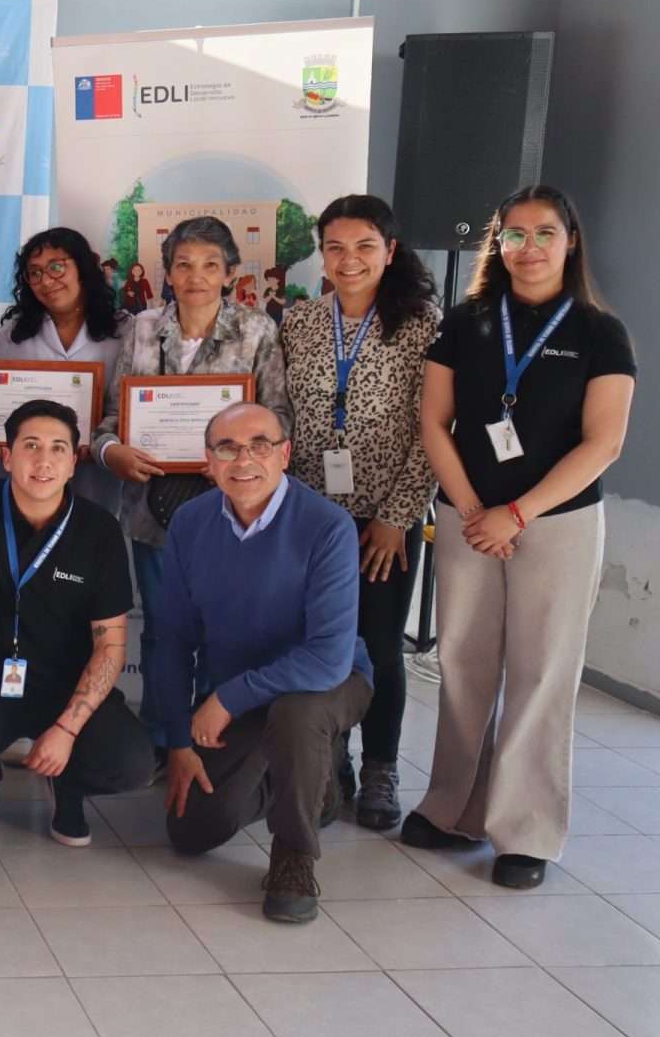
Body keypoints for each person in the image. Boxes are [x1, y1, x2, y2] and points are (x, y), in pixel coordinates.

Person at [403, 185, 635, 890]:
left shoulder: (600, 331)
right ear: (496, 244)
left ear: (571, 242)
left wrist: (519, 513)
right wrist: (476, 510)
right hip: (469, 517)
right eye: (514, 234)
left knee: (541, 673)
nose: (528, 248)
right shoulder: (466, 323)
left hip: (556, 523)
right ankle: (453, 810)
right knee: (465, 665)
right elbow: (433, 424)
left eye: (544, 234)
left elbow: (604, 444)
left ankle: (526, 831)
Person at [159, 402, 372, 925]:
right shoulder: (190, 523)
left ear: (284, 454)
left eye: (259, 445)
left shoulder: (328, 526)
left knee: (297, 715)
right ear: (208, 462)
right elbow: (169, 638)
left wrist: (226, 700)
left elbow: (326, 658)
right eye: (227, 448)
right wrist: (178, 741)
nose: (243, 459)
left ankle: (294, 856)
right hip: (246, 691)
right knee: (192, 831)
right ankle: (314, 778)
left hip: (331, 682)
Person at [91, 216, 291, 761]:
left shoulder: (257, 331)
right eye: (184, 264)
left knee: (232, 629)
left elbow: (277, 420)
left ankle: (222, 738)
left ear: (230, 273)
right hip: (152, 512)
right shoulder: (138, 330)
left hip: (235, 510)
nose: (196, 276)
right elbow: (109, 421)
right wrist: (115, 454)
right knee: (163, 630)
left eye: (210, 265)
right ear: (167, 272)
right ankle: (165, 737)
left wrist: (236, 457)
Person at [0, 400, 152, 844]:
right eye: (30, 446)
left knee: (132, 764)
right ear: (7, 457)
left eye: (58, 448)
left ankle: (69, 785)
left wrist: (66, 730)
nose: (43, 460)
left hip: (65, 686)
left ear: (72, 463)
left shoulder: (98, 530)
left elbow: (110, 647)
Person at [279, 195, 440, 830]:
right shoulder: (301, 322)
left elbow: (436, 430)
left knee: (378, 645)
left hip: (384, 521)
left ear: (391, 251)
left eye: (365, 246)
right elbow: (290, 417)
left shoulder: (424, 324)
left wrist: (398, 516)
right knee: (321, 643)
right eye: (337, 247)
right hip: (311, 520)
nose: (349, 261)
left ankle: (380, 768)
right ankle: (332, 762)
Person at [0, 227, 129, 512]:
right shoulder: (14, 333)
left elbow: (127, 407)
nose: (46, 281)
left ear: (83, 267)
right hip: (29, 471)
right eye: (35, 273)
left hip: (95, 470)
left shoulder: (126, 329)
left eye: (56, 267)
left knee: (91, 541)